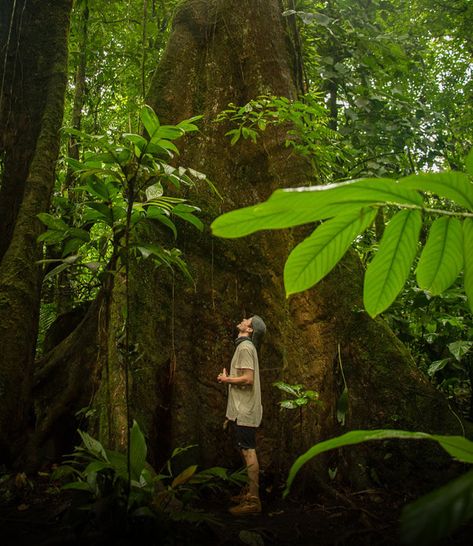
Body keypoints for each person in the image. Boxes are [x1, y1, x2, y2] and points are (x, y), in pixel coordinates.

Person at [217, 314, 266, 516]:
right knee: (246, 449)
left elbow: (248, 379)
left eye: (248, 320)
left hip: (245, 410)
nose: (244, 319)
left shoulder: (245, 347)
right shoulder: (244, 346)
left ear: (250, 329)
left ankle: (253, 501)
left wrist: (227, 379)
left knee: (248, 451)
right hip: (242, 409)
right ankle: (249, 493)